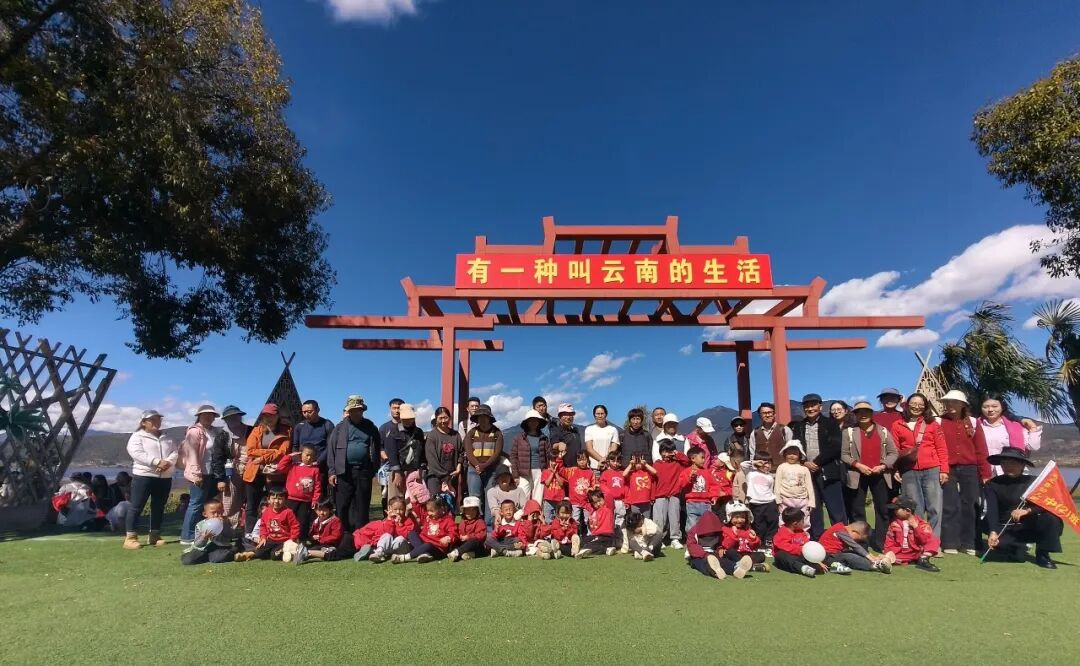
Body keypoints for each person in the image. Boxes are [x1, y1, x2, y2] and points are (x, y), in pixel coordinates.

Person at [984, 447, 1063, 569]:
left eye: (1013, 463)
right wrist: (993, 532)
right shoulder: (993, 484)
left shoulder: (1034, 482)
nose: (1008, 466)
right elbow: (992, 510)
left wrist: (1027, 511)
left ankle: (1043, 554)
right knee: (1011, 553)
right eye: (1004, 463)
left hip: (1029, 525)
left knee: (1051, 518)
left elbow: (1048, 504)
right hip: (1006, 527)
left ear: (1022, 465)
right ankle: (1017, 548)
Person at [937, 390, 990, 555]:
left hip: (970, 468)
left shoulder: (973, 422)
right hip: (947, 468)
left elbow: (981, 449)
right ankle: (949, 541)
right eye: (948, 402)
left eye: (954, 402)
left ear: (962, 405)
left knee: (972, 504)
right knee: (949, 504)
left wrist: (985, 473)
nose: (950, 405)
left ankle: (970, 542)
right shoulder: (939, 421)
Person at [840, 401, 898, 551]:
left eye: (866, 411)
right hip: (857, 475)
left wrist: (883, 466)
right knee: (857, 511)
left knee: (883, 510)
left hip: (880, 474)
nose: (863, 414)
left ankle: (881, 543)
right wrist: (858, 465)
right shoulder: (849, 432)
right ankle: (861, 544)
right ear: (855, 415)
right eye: (859, 412)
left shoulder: (883, 431)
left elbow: (893, 453)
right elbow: (844, 455)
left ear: (872, 413)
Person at [789, 393, 847, 539]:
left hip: (828, 472)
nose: (810, 408)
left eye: (813, 405)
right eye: (807, 406)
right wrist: (804, 462)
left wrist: (816, 462)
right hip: (807, 474)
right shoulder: (799, 426)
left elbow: (835, 446)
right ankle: (817, 539)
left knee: (836, 510)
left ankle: (842, 540)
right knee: (813, 509)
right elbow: (795, 448)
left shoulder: (831, 424)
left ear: (820, 407)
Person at [892, 392, 948, 538]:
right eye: (913, 404)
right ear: (907, 405)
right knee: (914, 508)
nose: (916, 407)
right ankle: (918, 540)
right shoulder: (897, 425)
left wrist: (944, 470)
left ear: (925, 407)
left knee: (934, 507)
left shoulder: (932, 424)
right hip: (908, 470)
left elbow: (941, 448)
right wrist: (895, 469)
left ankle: (933, 542)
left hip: (932, 469)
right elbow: (895, 450)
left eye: (920, 404)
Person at [326, 395, 382, 534]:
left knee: (362, 503)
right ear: (348, 411)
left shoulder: (370, 427)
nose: (356, 413)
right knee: (343, 504)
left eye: (358, 410)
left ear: (362, 410)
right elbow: (331, 450)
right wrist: (332, 471)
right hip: (343, 471)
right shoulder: (339, 428)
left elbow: (376, 448)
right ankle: (342, 533)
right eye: (353, 410)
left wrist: (374, 469)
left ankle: (361, 534)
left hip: (363, 470)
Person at [123, 409, 178, 549]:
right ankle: (130, 537)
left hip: (165, 477)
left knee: (159, 507)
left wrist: (167, 463)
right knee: (137, 506)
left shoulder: (168, 438)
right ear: (143, 423)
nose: (156, 422)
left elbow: (175, 452)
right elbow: (137, 453)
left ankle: (155, 535)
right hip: (143, 476)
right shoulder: (137, 437)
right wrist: (156, 462)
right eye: (152, 420)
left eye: (158, 419)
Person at [242, 403, 291, 535]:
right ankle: (250, 534)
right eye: (265, 415)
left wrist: (262, 458)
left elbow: (283, 452)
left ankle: (273, 533)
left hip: (275, 473)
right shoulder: (257, 430)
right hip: (254, 472)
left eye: (271, 415)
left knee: (275, 504)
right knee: (252, 505)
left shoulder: (287, 431)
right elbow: (250, 451)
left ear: (277, 416)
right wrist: (271, 452)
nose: (268, 418)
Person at [178, 404, 221, 546]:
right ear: (199, 416)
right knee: (195, 504)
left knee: (207, 504)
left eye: (211, 415)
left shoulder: (214, 431)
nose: (208, 417)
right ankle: (187, 536)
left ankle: (203, 533)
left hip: (212, 473)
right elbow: (192, 454)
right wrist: (196, 474)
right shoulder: (194, 432)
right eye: (205, 414)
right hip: (200, 473)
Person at [978, 393, 1042, 476]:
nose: (990, 409)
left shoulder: (1016, 426)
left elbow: (1034, 447)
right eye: (985, 407)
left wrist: (1033, 428)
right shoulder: (975, 426)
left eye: (995, 406)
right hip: (985, 474)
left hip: (1014, 473)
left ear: (1002, 407)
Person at [234, 487, 299, 562]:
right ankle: (247, 555)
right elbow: (263, 526)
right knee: (260, 551)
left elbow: (295, 527)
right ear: (268, 499)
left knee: (274, 555)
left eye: (280, 499)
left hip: (284, 541)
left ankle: (291, 551)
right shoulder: (266, 512)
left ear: (285, 500)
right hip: (271, 540)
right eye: (273, 498)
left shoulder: (288, 512)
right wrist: (263, 537)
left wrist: (292, 539)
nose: (276, 501)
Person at [685, 510, 754, 580]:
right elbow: (692, 546)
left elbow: (721, 543)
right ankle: (713, 570)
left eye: (712, 532)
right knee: (699, 563)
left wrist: (720, 548)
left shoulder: (718, 532)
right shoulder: (694, 531)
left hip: (714, 554)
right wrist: (705, 555)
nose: (710, 534)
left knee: (723, 561)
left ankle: (736, 568)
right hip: (698, 556)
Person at [463, 404, 504, 511]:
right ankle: (477, 520)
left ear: (489, 418)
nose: (482, 419)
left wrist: (484, 465)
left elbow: (497, 452)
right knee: (474, 497)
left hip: (492, 470)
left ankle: (490, 521)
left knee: (491, 497)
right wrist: (477, 465)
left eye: (485, 417)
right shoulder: (471, 433)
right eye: (480, 417)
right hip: (473, 469)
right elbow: (468, 451)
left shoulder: (497, 433)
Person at [883, 496, 941, 572]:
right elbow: (889, 540)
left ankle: (923, 559)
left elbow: (924, 540)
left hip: (917, 553)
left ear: (908, 511)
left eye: (897, 509)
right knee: (886, 558)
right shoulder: (894, 524)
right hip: (901, 553)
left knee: (934, 539)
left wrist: (916, 527)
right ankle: (892, 561)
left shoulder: (921, 523)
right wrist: (888, 552)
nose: (894, 511)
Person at [384, 403, 426, 503]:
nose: (408, 421)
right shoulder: (393, 431)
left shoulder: (419, 432)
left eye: (410, 418)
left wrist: (421, 469)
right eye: (405, 418)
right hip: (398, 471)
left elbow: (422, 452)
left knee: (413, 501)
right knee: (396, 501)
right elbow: (392, 453)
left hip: (414, 471)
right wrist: (397, 473)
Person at [278, 443, 321, 539]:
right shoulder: (293, 466)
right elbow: (280, 467)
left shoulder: (315, 469)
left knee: (303, 521)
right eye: (307, 455)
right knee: (288, 518)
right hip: (291, 499)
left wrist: (315, 500)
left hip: (306, 501)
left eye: (312, 456)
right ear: (301, 454)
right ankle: (286, 537)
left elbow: (317, 486)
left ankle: (301, 540)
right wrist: (289, 456)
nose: (309, 458)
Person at [651, 439, 689, 548]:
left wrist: (677, 454)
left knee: (674, 518)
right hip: (659, 495)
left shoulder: (678, 464)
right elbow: (653, 481)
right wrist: (652, 496)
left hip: (674, 495)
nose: (666, 454)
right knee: (659, 519)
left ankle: (675, 539)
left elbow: (688, 462)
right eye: (664, 451)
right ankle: (659, 539)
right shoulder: (657, 464)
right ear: (660, 452)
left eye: (669, 451)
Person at [395, 497, 457, 563]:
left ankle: (404, 558)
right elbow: (418, 509)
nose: (429, 513)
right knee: (412, 533)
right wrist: (414, 501)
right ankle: (424, 554)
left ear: (441, 509)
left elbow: (454, 532)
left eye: (432, 511)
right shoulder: (428, 517)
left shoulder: (448, 520)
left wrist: (448, 537)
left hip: (438, 549)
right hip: (423, 543)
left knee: (428, 545)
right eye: (428, 511)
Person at [818, 520, 894, 574]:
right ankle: (876, 565)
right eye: (858, 539)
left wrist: (872, 556)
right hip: (827, 557)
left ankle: (875, 561)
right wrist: (871, 558)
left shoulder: (841, 529)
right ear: (854, 532)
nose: (856, 541)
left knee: (852, 553)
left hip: (834, 555)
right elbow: (855, 546)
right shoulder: (840, 530)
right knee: (849, 556)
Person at [219, 405, 251, 529]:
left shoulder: (251, 430)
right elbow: (218, 457)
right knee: (230, 500)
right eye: (230, 417)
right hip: (231, 471)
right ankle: (229, 527)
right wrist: (220, 478)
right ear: (225, 420)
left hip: (251, 469)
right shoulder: (222, 435)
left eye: (235, 416)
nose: (233, 419)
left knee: (250, 500)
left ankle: (247, 528)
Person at [356, 496, 414, 563]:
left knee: (400, 538)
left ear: (405, 509)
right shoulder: (386, 521)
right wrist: (390, 521)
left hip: (401, 547)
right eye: (395, 509)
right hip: (389, 547)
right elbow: (383, 534)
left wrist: (400, 524)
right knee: (386, 535)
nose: (398, 512)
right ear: (390, 508)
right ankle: (379, 552)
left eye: (401, 509)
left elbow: (407, 536)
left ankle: (385, 553)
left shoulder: (408, 521)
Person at [291, 400, 335, 488]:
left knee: (319, 492)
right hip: (303, 467)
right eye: (304, 412)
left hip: (320, 468)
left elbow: (330, 447)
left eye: (309, 411)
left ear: (318, 410)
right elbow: (295, 446)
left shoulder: (327, 425)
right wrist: (298, 462)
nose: (306, 414)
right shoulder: (299, 426)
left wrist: (318, 462)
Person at [180, 498, 235, 565]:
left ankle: (232, 552)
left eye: (219, 512)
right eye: (213, 513)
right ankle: (205, 556)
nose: (216, 515)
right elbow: (197, 544)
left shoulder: (225, 522)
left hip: (219, 547)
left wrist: (224, 526)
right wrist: (204, 538)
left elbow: (231, 535)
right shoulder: (200, 525)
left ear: (223, 511)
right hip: (203, 548)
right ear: (205, 514)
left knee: (218, 558)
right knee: (187, 560)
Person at [511, 409, 550, 501]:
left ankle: (536, 510)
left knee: (538, 496)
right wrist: (515, 475)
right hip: (523, 471)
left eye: (535, 420)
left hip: (539, 470)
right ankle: (524, 511)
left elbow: (548, 454)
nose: (533, 423)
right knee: (523, 496)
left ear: (539, 422)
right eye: (531, 420)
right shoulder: (519, 438)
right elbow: (513, 456)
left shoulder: (543, 438)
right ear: (527, 422)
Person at [679, 446, 720, 532]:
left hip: (706, 503)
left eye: (704, 458)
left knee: (706, 523)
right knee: (692, 524)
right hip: (692, 502)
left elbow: (714, 485)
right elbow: (681, 484)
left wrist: (714, 496)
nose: (703, 460)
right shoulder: (686, 472)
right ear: (693, 458)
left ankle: (705, 538)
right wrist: (690, 477)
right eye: (702, 457)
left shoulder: (707, 472)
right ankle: (692, 538)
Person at [774, 441, 815, 529]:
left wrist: (811, 502)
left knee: (804, 518)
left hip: (802, 500)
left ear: (800, 455)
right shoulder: (781, 467)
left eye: (795, 454)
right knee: (784, 519)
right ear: (785, 454)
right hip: (786, 499)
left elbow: (809, 486)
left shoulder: (804, 469)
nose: (792, 456)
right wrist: (778, 500)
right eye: (789, 453)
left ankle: (803, 534)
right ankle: (785, 534)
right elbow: (777, 484)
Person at [424, 406, 462, 499]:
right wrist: (446, 477)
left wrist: (459, 467)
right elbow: (432, 460)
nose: (443, 421)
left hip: (453, 475)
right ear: (436, 419)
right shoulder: (432, 436)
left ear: (450, 418)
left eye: (445, 418)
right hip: (435, 477)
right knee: (435, 503)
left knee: (450, 503)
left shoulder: (456, 435)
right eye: (440, 418)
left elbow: (461, 452)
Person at [294, 498, 346, 564]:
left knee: (320, 550)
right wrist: (312, 537)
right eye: (319, 510)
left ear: (330, 510)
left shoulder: (335, 521)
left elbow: (336, 536)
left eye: (324, 510)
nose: (322, 513)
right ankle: (302, 553)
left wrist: (321, 538)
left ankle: (305, 554)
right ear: (315, 510)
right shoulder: (316, 521)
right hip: (320, 543)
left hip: (331, 545)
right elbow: (312, 533)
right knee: (310, 546)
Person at [772, 507, 820, 578]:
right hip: (787, 559)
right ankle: (803, 568)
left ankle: (828, 564)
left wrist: (815, 556)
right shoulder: (782, 533)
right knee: (780, 555)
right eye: (802, 520)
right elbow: (785, 547)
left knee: (815, 552)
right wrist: (801, 549)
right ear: (795, 524)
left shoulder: (801, 532)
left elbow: (806, 544)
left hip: (801, 556)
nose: (804, 522)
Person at [721, 502, 768, 572]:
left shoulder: (747, 528)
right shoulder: (726, 529)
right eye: (736, 517)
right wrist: (734, 534)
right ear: (729, 517)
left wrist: (753, 538)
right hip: (735, 554)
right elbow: (728, 545)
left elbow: (755, 546)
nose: (740, 520)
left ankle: (744, 565)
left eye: (742, 517)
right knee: (730, 552)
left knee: (761, 555)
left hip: (746, 555)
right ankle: (752, 567)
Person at [746, 453, 779, 547]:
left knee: (773, 522)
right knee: (759, 525)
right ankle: (760, 543)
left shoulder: (770, 477)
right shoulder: (750, 473)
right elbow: (743, 465)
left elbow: (770, 489)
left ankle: (769, 541)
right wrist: (755, 462)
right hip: (756, 503)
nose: (767, 466)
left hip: (770, 502)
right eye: (765, 463)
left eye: (769, 463)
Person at [560, 450, 596, 531]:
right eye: (579, 460)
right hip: (574, 501)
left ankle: (590, 535)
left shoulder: (591, 472)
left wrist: (592, 489)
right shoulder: (572, 471)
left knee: (589, 520)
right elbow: (561, 470)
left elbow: (594, 485)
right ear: (576, 460)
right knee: (575, 520)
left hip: (587, 502)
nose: (582, 462)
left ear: (588, 460)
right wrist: (560, 459)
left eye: (584, 459)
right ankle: (574, 535)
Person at [577, 489, 616, 558]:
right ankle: (600, 549)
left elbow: (608, 494)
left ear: (603, 498)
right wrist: (587, 492)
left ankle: (606, 550)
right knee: (581, 543)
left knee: (589, 545)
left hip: (606, 537)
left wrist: (598, 486)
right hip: (595, 536)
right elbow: (582, 502)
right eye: (595, 503)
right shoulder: (592, 510)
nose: (598, 504)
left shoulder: (608, 507)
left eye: (599, 500)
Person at [447, 496, 487, 561]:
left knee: (474, 542)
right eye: (467, 509)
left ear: (477, 510)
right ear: (464, 510)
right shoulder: (459, 518)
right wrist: (456, 536)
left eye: (473, 510)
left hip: (475, 545)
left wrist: (468, 537)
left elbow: (482, 535)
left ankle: (457, 553)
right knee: (453, 542)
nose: (469, 512)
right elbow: (454, 527)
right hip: (462, 543)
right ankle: (465, 554)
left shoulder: (480, 521)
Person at [584, 404, 620, 471]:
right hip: (593, 467)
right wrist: (602, 460)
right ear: (594, 415)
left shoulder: (613, 429)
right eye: (598, 414)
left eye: (602, 413)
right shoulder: (589, 429)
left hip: (609, 467)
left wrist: (605, 460)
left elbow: (614, 448)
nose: (600, 416)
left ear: (606, 415)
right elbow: (589, 449)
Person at [622, 454, 657, 519]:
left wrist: (645, 464)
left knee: (646, 520)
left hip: (646, 502)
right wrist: (631, 464)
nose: (638, 465)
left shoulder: (647, 473)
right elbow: (624, 474)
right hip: (635, 503)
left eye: (640, 463)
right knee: (636, 521)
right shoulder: (632, 473)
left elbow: (655, 472)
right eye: (636, 463)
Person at [539, 455, 567, 521]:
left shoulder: (562, 472)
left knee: (558, 518)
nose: (554, 463)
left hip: (559, 500)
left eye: (556, 461)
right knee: (547, 518)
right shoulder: (545, 471)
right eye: (552, 461)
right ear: (549, 461)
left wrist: (556, 473)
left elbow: (561, 483)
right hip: (548, 500)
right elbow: (547, 483)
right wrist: (552, 473)